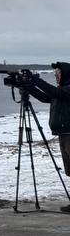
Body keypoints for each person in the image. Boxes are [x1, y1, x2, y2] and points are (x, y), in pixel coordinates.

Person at [26, 62, 70, 213]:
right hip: (63, 133)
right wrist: (28, 87)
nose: (56, 77)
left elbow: (55, 93)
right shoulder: (61, 90)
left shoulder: (67, 89)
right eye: (55, 75)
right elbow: (46, 97)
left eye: (58, 74)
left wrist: (37, 80)